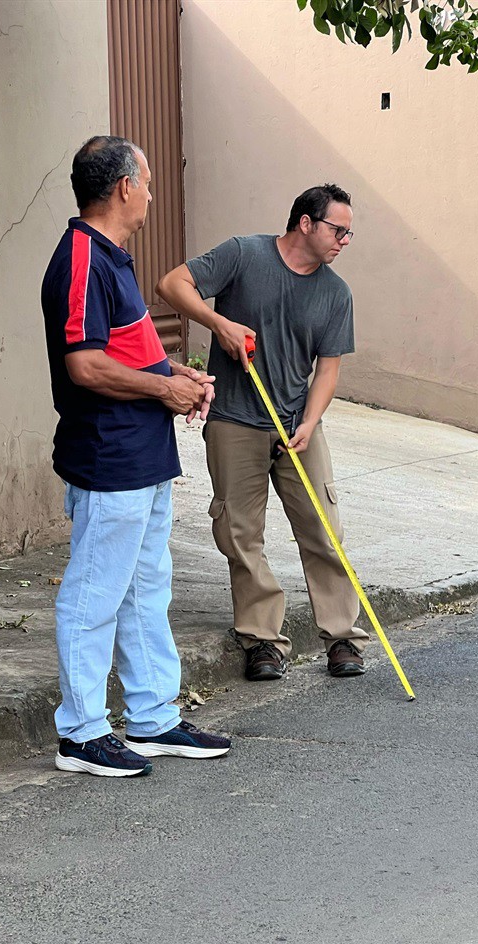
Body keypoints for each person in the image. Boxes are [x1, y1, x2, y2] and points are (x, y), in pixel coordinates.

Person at [41, 135, 230, 777]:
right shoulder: (80, 259)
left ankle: (153, 719)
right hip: (109, 456)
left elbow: (125, 350)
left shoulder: (111, 258)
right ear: (125, 187)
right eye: (147, 182)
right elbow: (85, 365)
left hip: (143, 455)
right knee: (95, 593)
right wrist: (163, 389)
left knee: (146, 589)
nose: (151, 194)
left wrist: (176, 374)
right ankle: (81, 733)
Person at [156, 184, 370, 683]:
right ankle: (262, 641)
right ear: (305, 223)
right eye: (338, 230)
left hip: (297, 425)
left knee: (323, 530)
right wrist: (219, 323)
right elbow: (172, 284)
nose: (344, 241)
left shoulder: (336, 294)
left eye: (349, 233)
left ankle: (342, 637)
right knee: (239, 534)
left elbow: (328, 370)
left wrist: (310, 423)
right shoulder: (243, 255)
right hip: (234, 420)